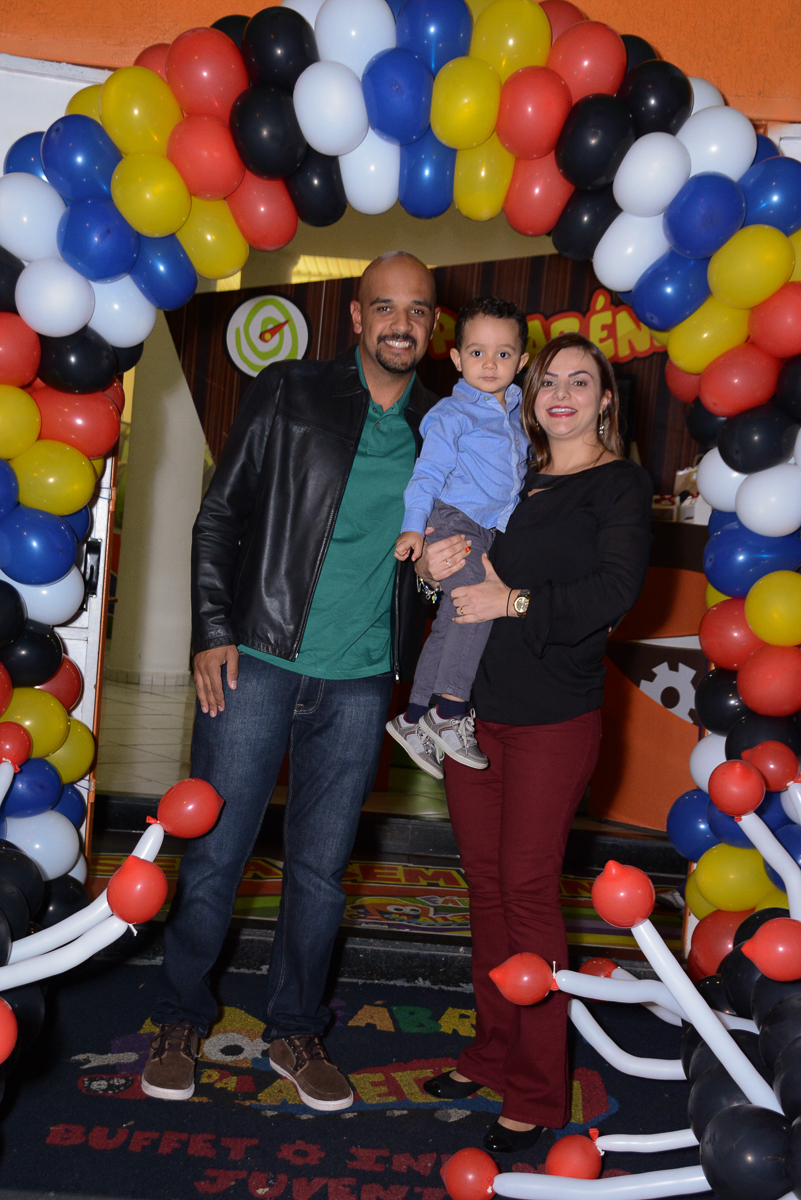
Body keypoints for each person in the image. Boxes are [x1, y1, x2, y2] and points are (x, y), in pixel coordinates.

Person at [141, 252, 440, 1112]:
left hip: (358, 682)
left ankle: (294, 1029)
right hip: (258, 661)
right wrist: (212, 630)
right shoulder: (289, 390)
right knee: (216, 856)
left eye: (416, 311)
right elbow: (220, 513)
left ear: (431, 326)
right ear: (354, 317)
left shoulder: (445, 427)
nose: (399, 324)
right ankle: (179, 1015)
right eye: (383, 307)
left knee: (319, 870)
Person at [415, 332, 653, 1153]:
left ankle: (541, 1089)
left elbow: (614, 590)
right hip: (471, 714)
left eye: (578, 382)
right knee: (483, 888)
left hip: (554, 715)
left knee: (524, 891)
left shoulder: (618, 485)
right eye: (546, 380)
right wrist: (434, 566)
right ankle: (492, 1052)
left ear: (604, 400)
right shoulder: (507, 475)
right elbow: (457, 577)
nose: (559, 394)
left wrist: (512, 603)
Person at [387, 297, 530, 778]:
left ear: (522, 361)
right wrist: (414, 527)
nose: (489, 364)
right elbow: (425, 475)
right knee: (473, 605)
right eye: (476, 353)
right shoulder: (451, 415)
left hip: (486, 530)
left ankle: (412, 718)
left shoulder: (519, 417)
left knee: (451, 619)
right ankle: (448, 713)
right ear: (455, 358)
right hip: (453, 520)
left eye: (503, 354)